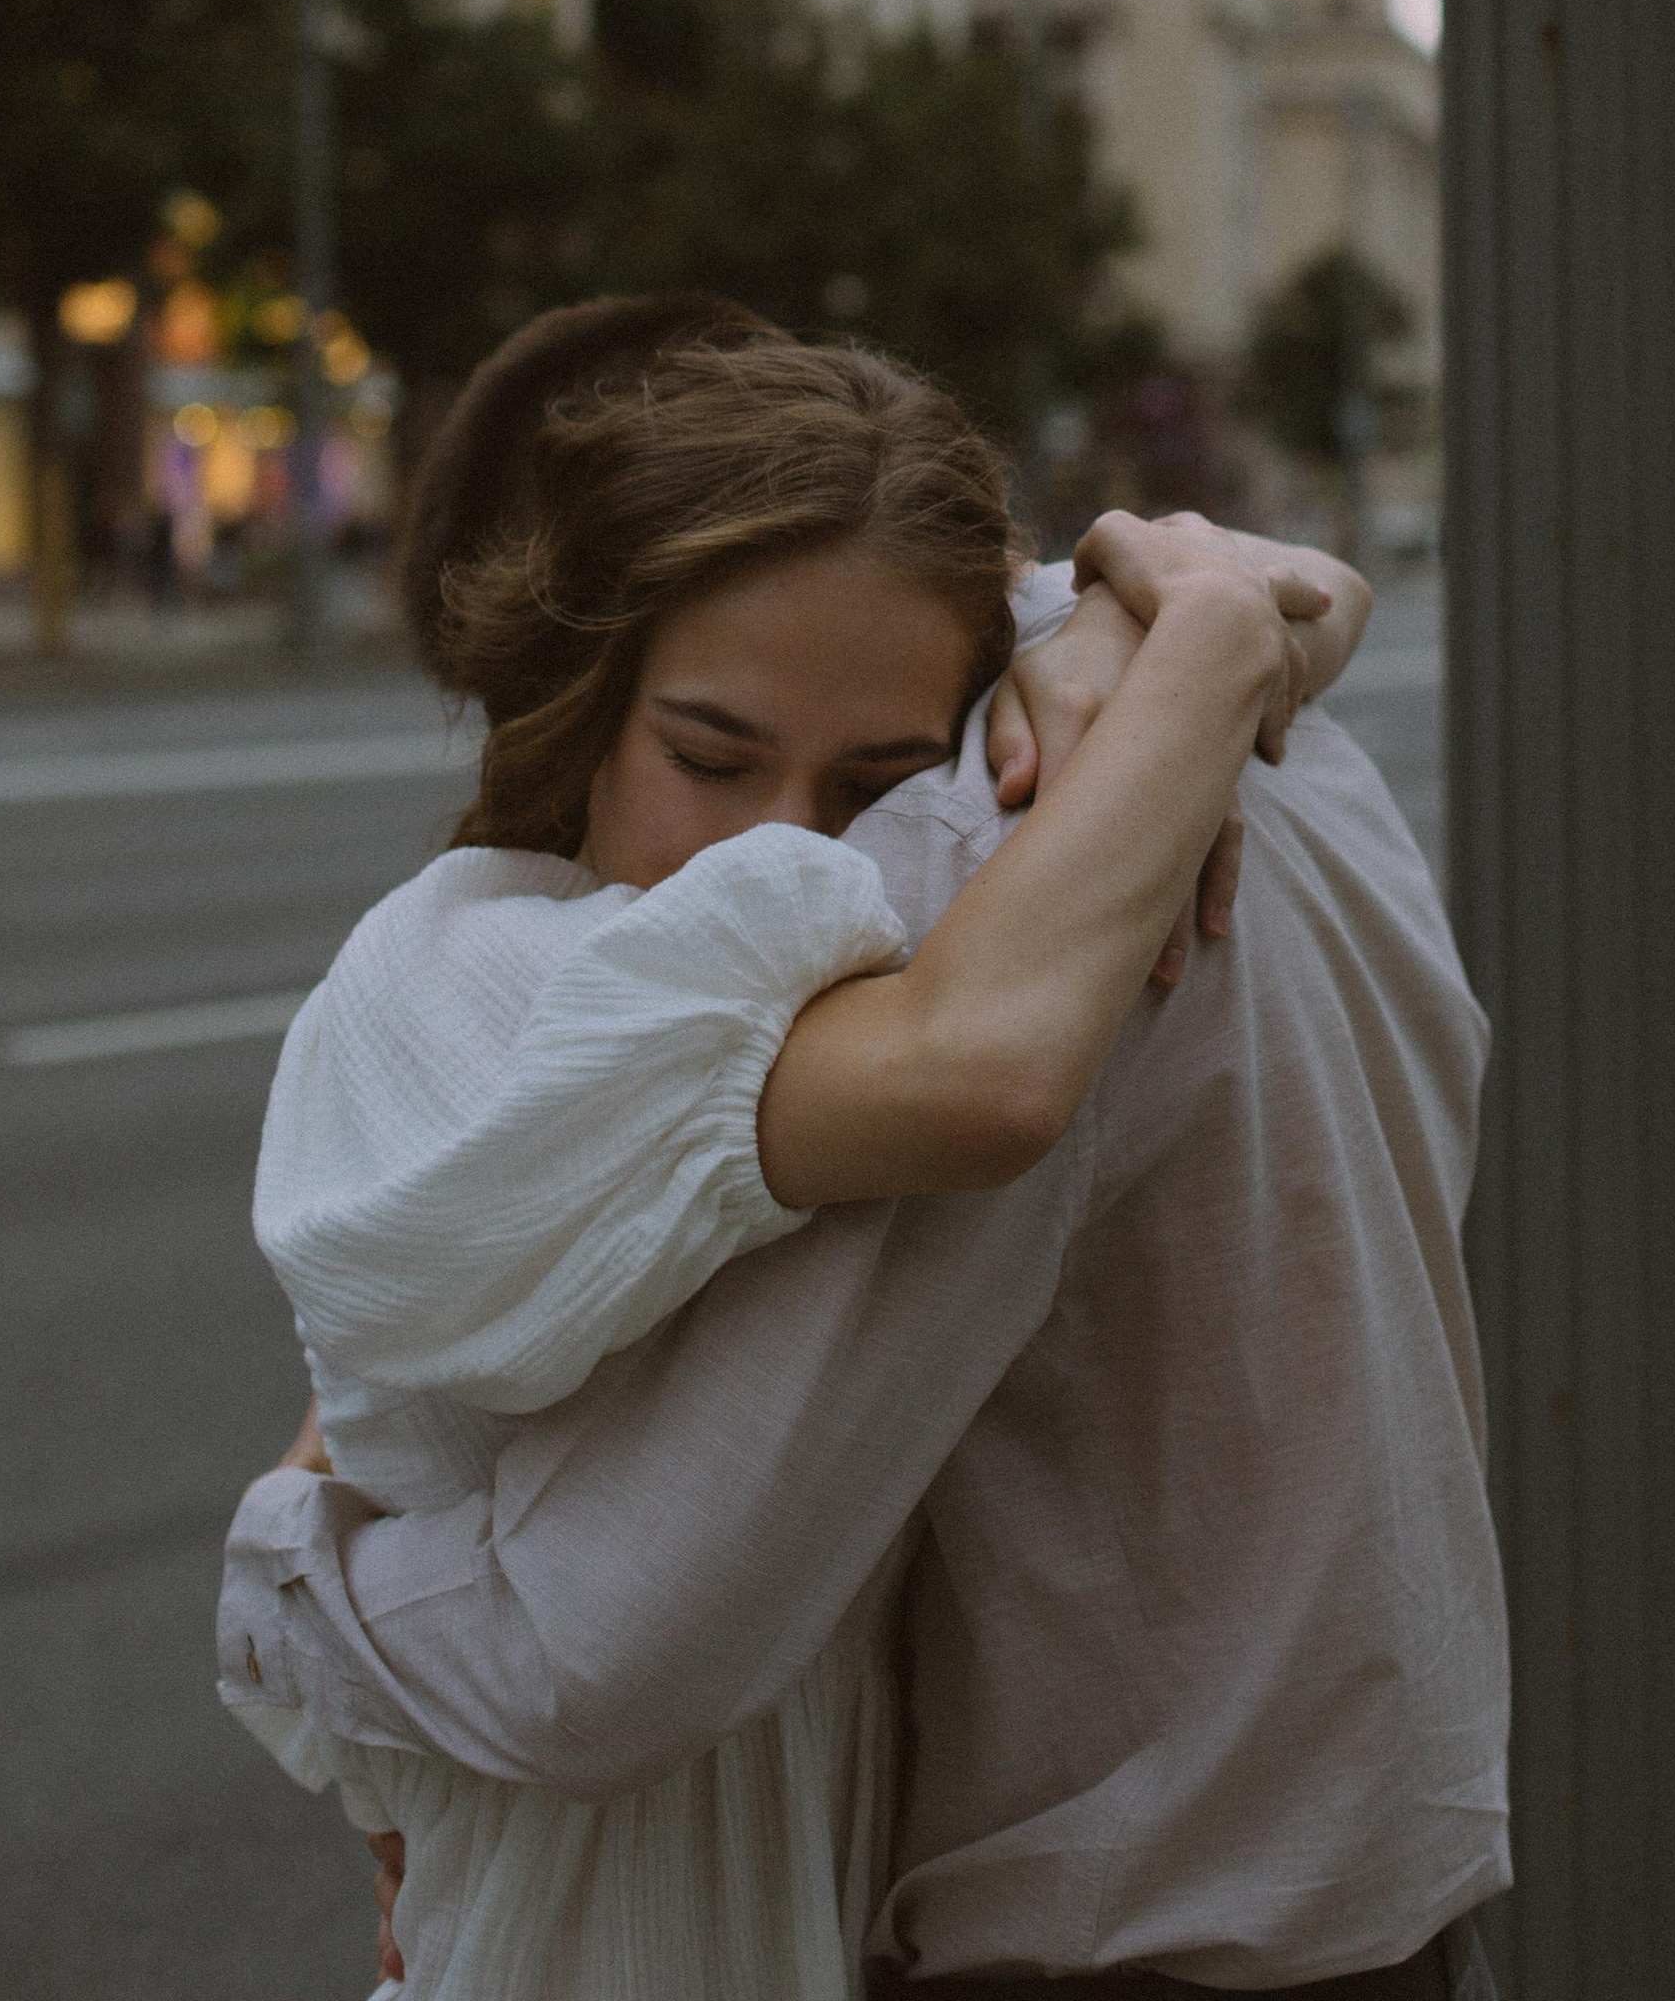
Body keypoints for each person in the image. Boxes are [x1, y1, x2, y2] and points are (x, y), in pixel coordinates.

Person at [228, 308, 1509, 1999]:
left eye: (870, 775)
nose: (786, 856)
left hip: (1094, 1950)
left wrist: (284, 1590)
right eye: (712, 754)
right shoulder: (1306, 761)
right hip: (1406, 1919)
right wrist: (1215, 610)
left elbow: (613, 1642)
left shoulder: (970, 907)